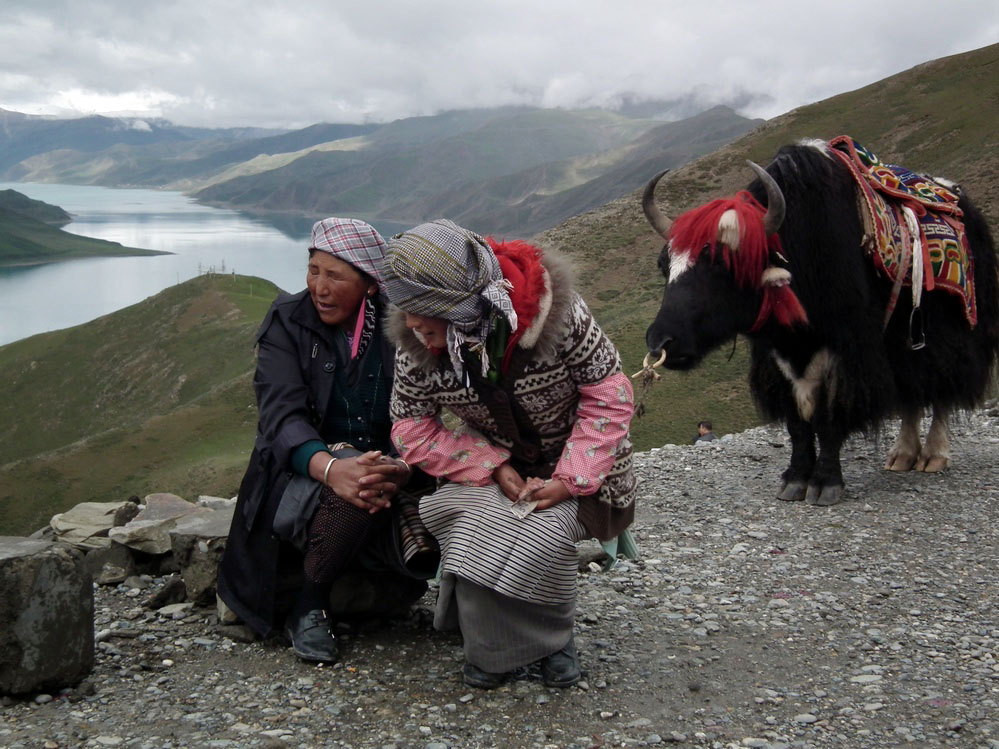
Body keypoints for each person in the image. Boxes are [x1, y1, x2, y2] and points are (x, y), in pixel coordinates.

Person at [382, 219, 637, 689]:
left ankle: (552, 641)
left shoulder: (559, 318)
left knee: (542, 532)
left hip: (585, 470)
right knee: (473, 521)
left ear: (461, 303)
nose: (413, 323)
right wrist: (490, 465)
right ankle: (494, 649)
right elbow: (411, 425)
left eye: (423, 309)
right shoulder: (416, 345)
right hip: (488, 468)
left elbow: (609, 395)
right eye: (406, 308)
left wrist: (570, 478)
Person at [217, 217, 437, 664]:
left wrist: (401, 465)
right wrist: (333, 469)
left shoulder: (402, 328)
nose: (319, 286)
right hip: (300, 470)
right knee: (358, 487)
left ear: (370, 285)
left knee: (383, 478)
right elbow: (281, 417)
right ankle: (309, 605)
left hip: (385, 466)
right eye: (313, 270)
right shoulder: (287, 322)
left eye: (335, 275)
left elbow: (423, 410)